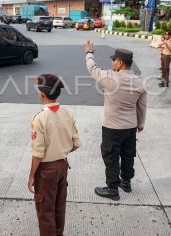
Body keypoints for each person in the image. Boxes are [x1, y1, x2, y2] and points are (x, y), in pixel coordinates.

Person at [84, 41, 147, 201]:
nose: (112, 62)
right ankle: (126, 182)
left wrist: (89, 52)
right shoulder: (140, 81)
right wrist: (140, 124)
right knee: (127, 156)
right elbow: (142, 106)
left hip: (112, 128)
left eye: (114, 60)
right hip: (130, 127)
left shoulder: (110, 77)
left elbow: (92, 68)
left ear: (119, 63)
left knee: (111, 157)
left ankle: (112, 189)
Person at [28, 74, 81, 236]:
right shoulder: (68, 113)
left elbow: (38, 153)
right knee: (59, 206)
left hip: (46, 170)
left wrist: (31, 176)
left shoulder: (40, 118)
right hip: (62, 166)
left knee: (45, 211)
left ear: (42, 94)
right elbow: (76, 143)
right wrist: (60, 150)